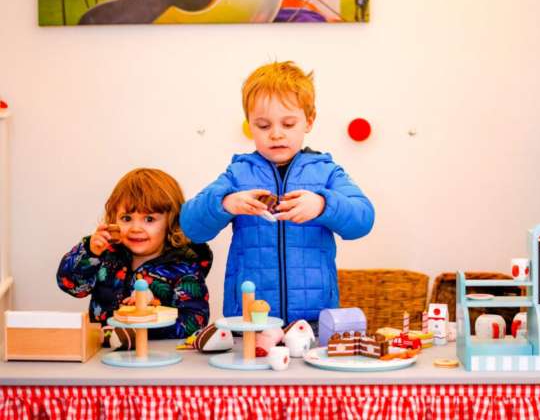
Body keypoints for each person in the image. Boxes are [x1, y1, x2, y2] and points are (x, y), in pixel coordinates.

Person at [180, 61, 374, 326]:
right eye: (263, 125)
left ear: (309, 120)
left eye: (288, 123)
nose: (276, 134)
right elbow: (192, 227)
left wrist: (323, 205)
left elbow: (363, 220)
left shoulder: (326, 172)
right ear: (249, 124)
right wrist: (225, 203)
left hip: (315, 322)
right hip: (249, 321)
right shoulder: (238, 174)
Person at [57, 168, 212, 339]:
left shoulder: (183, 268)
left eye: (149, 219)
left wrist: (147, 317)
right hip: (102, 355)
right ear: (113, 218)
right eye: (126, 218)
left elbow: (195, 321)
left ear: (171, 221)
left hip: (158, 357)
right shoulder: (105, 254)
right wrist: (90, 253)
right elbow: (71, 285)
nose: (136, 228)